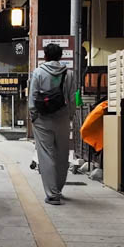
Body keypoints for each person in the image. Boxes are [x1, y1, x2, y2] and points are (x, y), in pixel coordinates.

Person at [29, 43, 77, 205]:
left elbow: (33, 97)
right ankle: (59, 188)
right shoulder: (68, 74)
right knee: (62, 154)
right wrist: (70, 116)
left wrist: (33, 116)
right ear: (60, 56)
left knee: (46, 154)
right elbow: (72, 98)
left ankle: (52, 194)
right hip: (62, 118)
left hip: (43, 119)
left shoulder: (38, 72)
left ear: (45, 56)